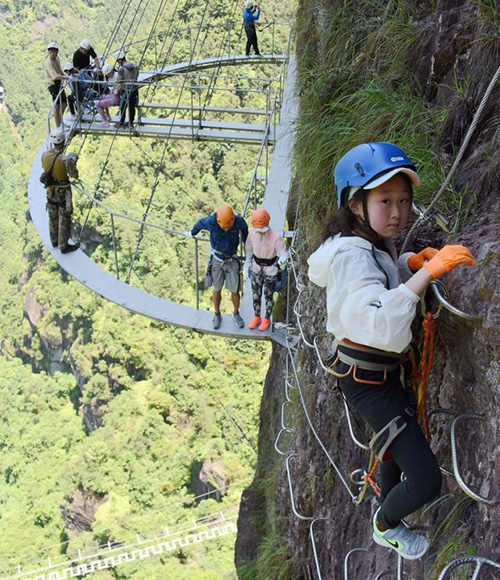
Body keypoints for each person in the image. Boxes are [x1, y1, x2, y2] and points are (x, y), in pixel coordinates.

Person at [307, 142, 475, 560]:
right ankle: (385, 525)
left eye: (404, 200)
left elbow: (379, 282)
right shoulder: (353, 254)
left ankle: (384, 489)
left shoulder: (368, 242)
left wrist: (410, 266)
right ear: (357, 204)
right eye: (385, 200)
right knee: (425, 479)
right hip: (370, 382)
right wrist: (427, 276)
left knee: (396, 446)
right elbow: (376, 320)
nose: (398, 211)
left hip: (372, 374)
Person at [189, 206, 248, 329]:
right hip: (217, 258)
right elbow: (199, 224)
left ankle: (236, 313)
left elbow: (245, 230)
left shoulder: (239, 221)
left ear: (232, 220)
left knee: (235, 289)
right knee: (217, 288)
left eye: (228, 227)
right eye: (224, 227)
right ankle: (217, 314)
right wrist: (192, 233)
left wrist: (247, 245)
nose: (226, 229)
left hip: (231, 258)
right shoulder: (212, 222)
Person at [245, 208, 287, 331]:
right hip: (256, 268)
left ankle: (267, 318)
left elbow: (283, 252)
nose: (261, 233)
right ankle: (256, 317)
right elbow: (249, 250)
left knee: (268, 295)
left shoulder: (275, 237)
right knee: (256, 294)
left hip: (270, 270)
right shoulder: (252, 234)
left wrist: (282, 259)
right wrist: (247, 263)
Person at [41, 129, 80, 254]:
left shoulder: (45, 155)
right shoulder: (65, 159)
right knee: (64, 218)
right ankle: (64, 246)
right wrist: (73, 161)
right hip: (63, 193)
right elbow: (74, 175)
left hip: (50, 191)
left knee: (52, 217)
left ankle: (54, 241)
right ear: (63, 142)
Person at [45, 42, 69, 128]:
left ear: (57, 52)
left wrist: (65, 76)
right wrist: (66, 78)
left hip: (59, 82)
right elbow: (54, 76)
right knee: (57, 105)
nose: (53, 53)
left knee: (64, 103)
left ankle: (60, 120)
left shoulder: (57, 59)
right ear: (49, 52)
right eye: (51, 51)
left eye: (54, 51)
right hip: (53, 84)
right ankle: (58, 124)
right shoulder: (48, 62)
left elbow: (59, 70)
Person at [115, 50, 139, 129]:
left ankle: (121, 123)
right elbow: (136, 76)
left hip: (126, 91)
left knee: (123, 106)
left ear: (120, 60)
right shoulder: (135, 66)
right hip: (135, 90)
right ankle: (131, 123)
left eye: (118, 61)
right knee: (131, 107)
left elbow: (118, 80)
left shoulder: (122, 69)